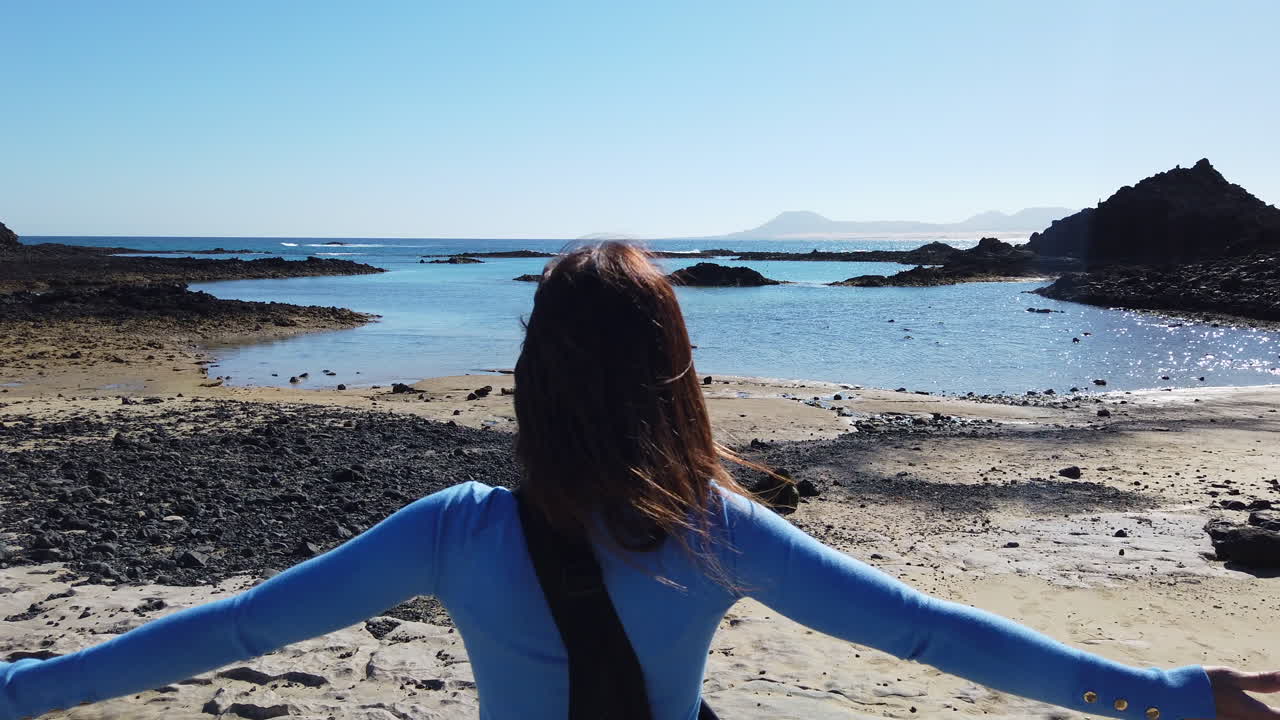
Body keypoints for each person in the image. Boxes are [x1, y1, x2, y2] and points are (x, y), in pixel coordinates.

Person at [0, 241, 1275, 720]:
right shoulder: (717, 532)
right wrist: (1165, 693)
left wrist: (24, 686)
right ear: (679, 371)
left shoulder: (452, 533)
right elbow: (924, 632)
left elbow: (236, 629)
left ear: (529, 373)